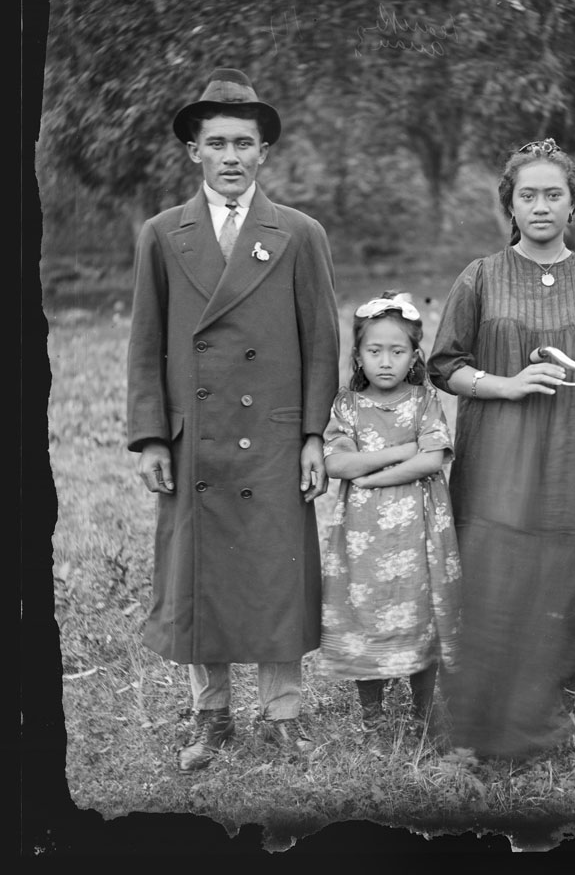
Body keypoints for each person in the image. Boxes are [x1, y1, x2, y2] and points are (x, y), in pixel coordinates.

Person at [126, 68, 339, 772]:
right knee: (197, 575)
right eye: (215, 143)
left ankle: (284, 712)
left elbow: (321, 341)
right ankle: (209, 713)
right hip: (196, 440)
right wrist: (153, 434)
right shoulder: (162, 234)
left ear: (263, 152)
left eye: (243, 143)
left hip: (274, 436)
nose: (230, 157)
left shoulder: (298, 233)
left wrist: (313, 435)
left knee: (275, 572)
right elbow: (147, 341)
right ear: (193, 150)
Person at [427, 138, 575, 759]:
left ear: (572, 204)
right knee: (493, 578)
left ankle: (554, 710)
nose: (542, 205)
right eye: (529, 195)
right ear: (511, 205)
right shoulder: (480, 277)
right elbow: (444, 367)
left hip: (573, 458)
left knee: (565, 578)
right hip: (496, 455)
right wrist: (507, 384)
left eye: (554, 194)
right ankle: (474, 730)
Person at [317, 292, 461, 737]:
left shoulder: (423, 400)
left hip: (419, 529)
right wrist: (403, 450)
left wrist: (375, 474)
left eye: (397, 352)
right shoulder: (347, 405)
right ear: (358, 356)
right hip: (365, 533)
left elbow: (432, 459)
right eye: (373, 351)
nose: (385, 361)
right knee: (368, 608)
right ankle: (373, 716)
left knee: (420, 609)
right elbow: (338, 463)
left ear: (414, 356)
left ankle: (424, 710)